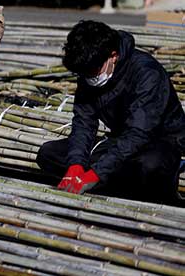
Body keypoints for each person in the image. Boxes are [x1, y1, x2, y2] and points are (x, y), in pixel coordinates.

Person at [36, 20, 185, 204]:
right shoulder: (89, 72)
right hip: (120, 142)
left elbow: (138, 134)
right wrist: (76, 165)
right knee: (49, 153)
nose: (89, 78)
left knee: (149, 167)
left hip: (159, 143)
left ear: (113, 56)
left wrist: (96, 173)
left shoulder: (147, 73)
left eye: (93, 72)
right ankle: (115, 183)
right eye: (84, 74)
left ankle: (127, 187)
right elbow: (84, 122)